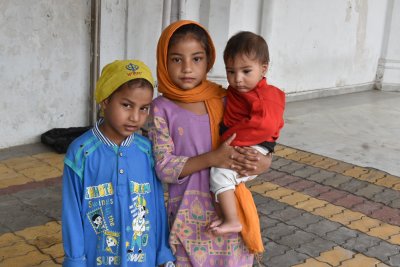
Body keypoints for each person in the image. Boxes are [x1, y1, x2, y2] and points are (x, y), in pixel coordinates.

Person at [148, 20, 272, 266]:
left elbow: (258, 138)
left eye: (196, 58)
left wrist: (264, 162)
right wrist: (212, 158)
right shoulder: (161, 108)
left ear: (209, 60)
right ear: (163, 61)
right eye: (176, 59)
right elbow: (164, 167)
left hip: (228, 212)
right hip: (186, 218)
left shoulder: (226, 98)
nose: (187, 68)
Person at [62, 59, 175, 267]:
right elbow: (71, 212)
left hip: (143, 260)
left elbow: (157, 205)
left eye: (144, 108)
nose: (135, 117)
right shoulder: (81, 153)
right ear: (105, 101)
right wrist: (75, 261)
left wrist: (163, 253)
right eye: (126, 105)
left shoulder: (147, 150)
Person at [209, 31, 285, 236]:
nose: (237, 79)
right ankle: (226, 213)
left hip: (254, 143)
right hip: (244, 139)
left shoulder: (265, 96)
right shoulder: (238, 92)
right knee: (224, 177)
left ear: (264, 69)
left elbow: (265, 126)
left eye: (245, 71)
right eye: (231, 72)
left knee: (220, 174)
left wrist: (229, 141)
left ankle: (232, 220)